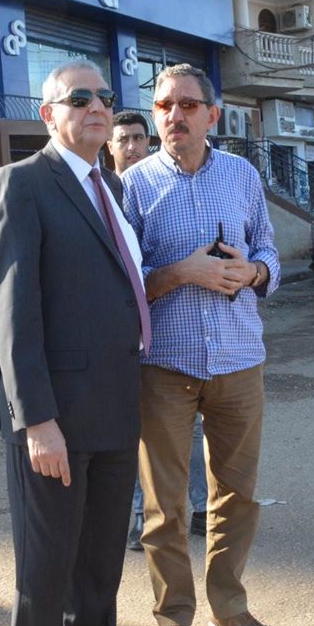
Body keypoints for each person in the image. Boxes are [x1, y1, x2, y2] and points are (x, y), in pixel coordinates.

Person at [0, 61, 160, 626]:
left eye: (103, 97)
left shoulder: (108, 184)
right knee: (46, 566)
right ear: (48, 115)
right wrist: (37, 420)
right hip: (55, 417)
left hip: (114, 407)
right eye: (78, 98)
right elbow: (12, 312)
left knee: (100, 560)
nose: (96, 107)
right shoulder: (21, 184)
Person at [121, 63, 282, 626]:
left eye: (188, 105)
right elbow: (124, 282)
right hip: (164, 364)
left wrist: (255, 272)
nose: (175, 116)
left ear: (212, 115)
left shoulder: (242, 174)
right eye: (164, 105)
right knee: (164, 506)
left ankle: (230, 606)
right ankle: (174, 618)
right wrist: (182, 272)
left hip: (238, 360)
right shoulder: (133, 186)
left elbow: (267, 250)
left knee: (236, 494)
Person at [105, 111, 207, 552]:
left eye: (138, 137)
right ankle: (137, 516)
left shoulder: (163, 187)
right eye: (122, 139)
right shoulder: (104, 193)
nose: (131, 146)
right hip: (117, 337)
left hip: (167, 336)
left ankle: (201, 507)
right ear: (110, 147)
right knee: (130, 429)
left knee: (192, 429)